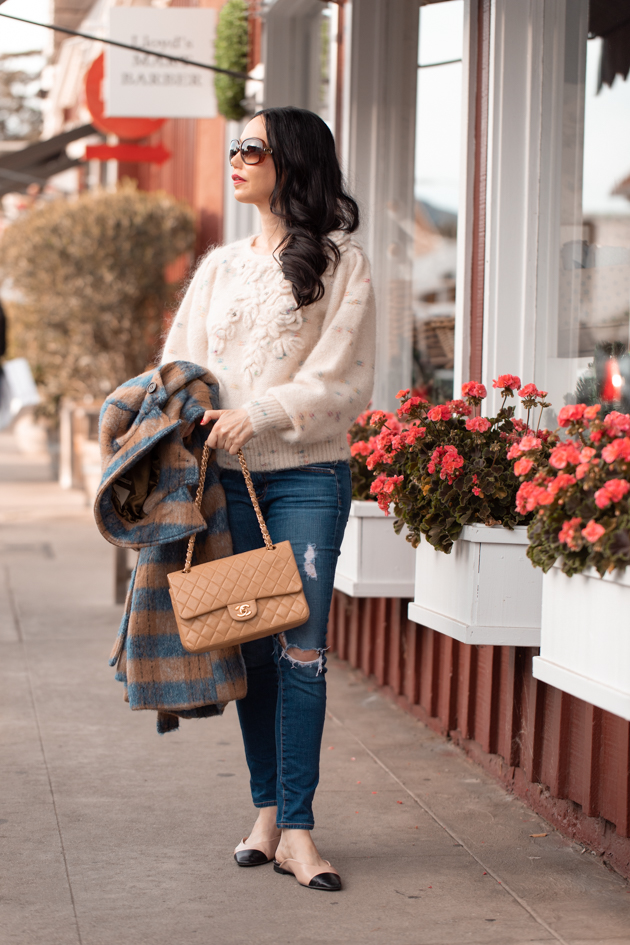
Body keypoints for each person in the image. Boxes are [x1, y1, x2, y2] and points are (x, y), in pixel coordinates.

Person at [161, 106, 375, 890]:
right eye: (235, 146)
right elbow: (178, 365)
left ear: (292, 161)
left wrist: (263, 412)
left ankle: (301, 827)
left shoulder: (343, 262)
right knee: (251, 643)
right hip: (227, 483)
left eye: (253, 147)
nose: (237, 158)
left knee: (303, 650)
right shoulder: (219, 266)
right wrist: (187, 415)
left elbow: (347, 380)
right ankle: (267, 815)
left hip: (308, 477)